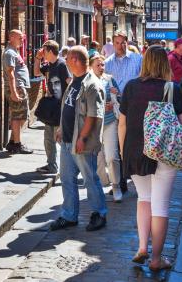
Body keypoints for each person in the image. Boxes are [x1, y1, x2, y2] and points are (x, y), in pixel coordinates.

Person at [118, 46, 182, 273]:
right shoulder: (172, 89)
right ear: (165, 65)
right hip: (163, 152)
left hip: (135, 150)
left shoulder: (130, 87)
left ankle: (141, 247)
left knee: (144, 198)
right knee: (160, 205)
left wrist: (123, 152)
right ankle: (157, 258)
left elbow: (122, 124)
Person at [51, 46, 108, 232]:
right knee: (67, 179)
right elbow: (67, 107)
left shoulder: (92, 84)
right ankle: (69, 215)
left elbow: (94, 115)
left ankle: (99, 213)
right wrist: (61, 128)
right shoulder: (74, 81)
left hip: (82, 142)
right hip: (68, 140)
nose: (65, 63)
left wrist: (83, 137)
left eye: (67, 60)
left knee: (90, 178)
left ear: (75, 60)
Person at [34, 40, 69, 175]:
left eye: (43, 51)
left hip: (60, 108)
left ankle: (76, 164)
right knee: (48, 139)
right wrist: (37, 58)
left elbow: (69, 83)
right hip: (51, 108)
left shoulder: (61, 65)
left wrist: (66, 104)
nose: (42, 53)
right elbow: (37, 72)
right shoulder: (49, 65)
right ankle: (51, 166)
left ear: (49, 51)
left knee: (59, 138)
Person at [91, 54, 123, 202]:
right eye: (98, 65)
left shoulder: (110, 79)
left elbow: (121, 99)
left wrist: (116, 97)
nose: (101, 67)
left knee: (112, 156)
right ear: (91, 66)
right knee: (98, 159)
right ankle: (103, 183)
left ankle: (116, 185)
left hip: (110, 122)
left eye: (102, 64)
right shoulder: (87, 81)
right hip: (93, 125)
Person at [3, 30, 33, 155]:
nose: (22, 40)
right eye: (20, 37)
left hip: (20, 87)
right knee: (18, 116)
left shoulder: (14, 51)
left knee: (21, 115)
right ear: (11, 37)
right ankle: (17, 144)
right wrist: (14, 92)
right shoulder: (9, 52)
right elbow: (10, 73)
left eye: (22, 37)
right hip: (16, 88)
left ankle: (12, 142)